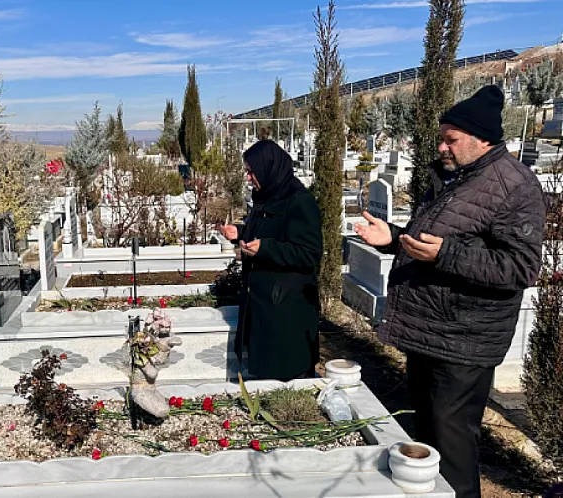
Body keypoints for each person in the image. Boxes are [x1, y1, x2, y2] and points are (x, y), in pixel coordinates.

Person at [355, 85, 545, 498]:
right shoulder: (454, 178)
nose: (441, 146)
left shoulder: (513, 185)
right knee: (426, 446)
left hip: (463, 343)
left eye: (451, 139)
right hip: (430, 335)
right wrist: (392, 238)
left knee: (453, 452)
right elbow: (433, 244)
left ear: (483, 139)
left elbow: (522, 267)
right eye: (441, 137)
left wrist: (446, 256)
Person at [220, 139, 323, 382]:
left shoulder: (299, 200)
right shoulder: (266, 194)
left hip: (287, 309)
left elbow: (309, 252)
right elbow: (267, 231)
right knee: (267, 375)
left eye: (251, 171)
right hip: (265, 303)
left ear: (268, 167)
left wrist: (266, 249)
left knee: (289, 376)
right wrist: (241, 233)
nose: (248, 178)